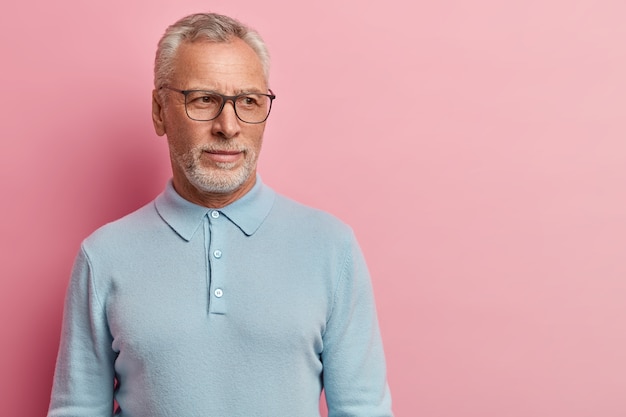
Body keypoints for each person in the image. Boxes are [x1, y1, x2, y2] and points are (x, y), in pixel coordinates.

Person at [47, 12, 393, 417]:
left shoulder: (332, 248)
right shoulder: (103, 255)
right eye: (204, 100)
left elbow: (363, 409)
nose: (228, 126)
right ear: (160, 111)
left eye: (248, 101)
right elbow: (77, 410)